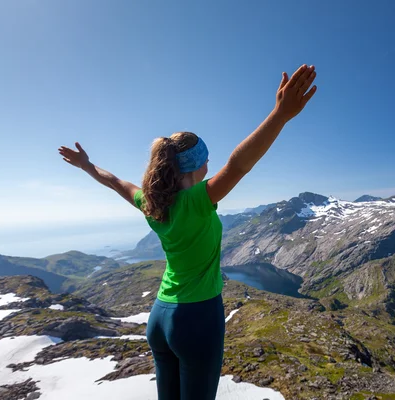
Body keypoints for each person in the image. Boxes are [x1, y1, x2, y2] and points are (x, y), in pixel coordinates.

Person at [57, 64, 317, 400]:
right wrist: (279, 115)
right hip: (197, 319)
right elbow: (239, 164)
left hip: (160, 318)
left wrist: (87, 166)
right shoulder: (198, 200)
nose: (211, 166)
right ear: (197, 164)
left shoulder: (151, 203)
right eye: (207, 161)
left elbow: (115, 182)